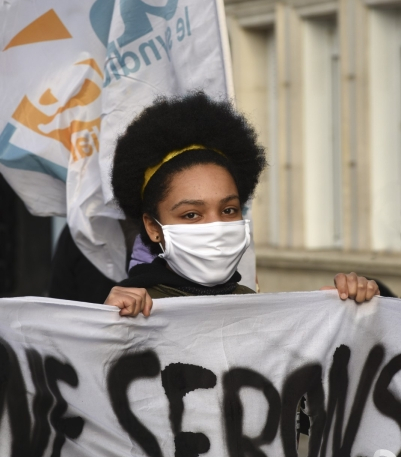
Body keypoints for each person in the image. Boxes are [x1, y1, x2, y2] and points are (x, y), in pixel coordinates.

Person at [105, 91, 379, 316]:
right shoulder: (129, 311)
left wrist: (344, 315)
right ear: (154, 227)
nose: (216, 226)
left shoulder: (258, 310)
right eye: (191, 215)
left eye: (228, 210)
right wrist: (105, 326)